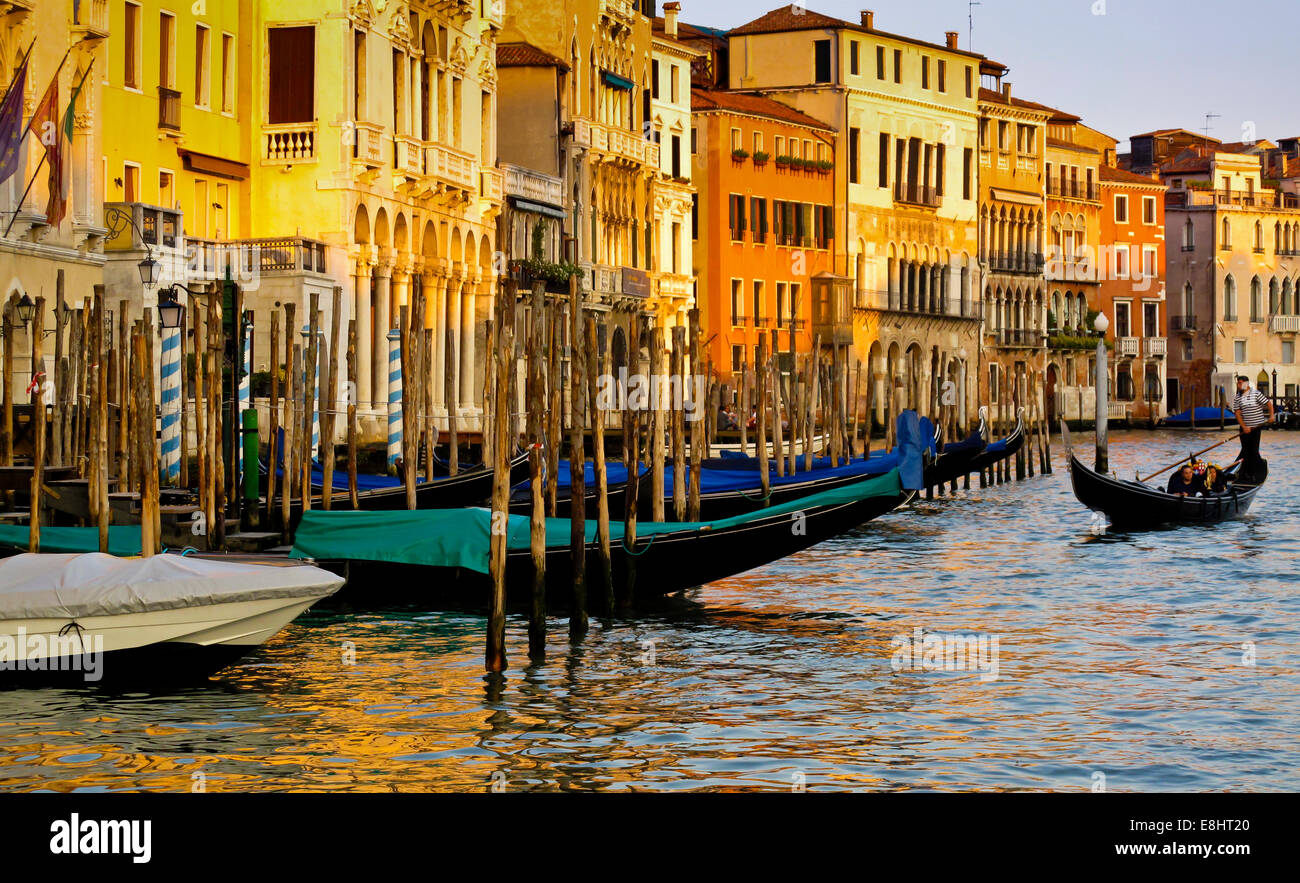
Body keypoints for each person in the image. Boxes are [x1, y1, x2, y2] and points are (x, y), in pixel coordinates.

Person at [1231, 375, 1273, 480]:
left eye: (1240, 383)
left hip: (1256, 428)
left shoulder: (1256, 394)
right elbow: (1237, 413)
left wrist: (1271, 415)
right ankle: (1245, 473)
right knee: (1245, 451)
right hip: (1245, 428)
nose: (1238, 385)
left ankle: (1255, 472)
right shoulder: (1237, 397)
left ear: (1246, 383)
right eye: (1238, 383)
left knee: (1253, 451)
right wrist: (1244, 426)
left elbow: (1269, 404)